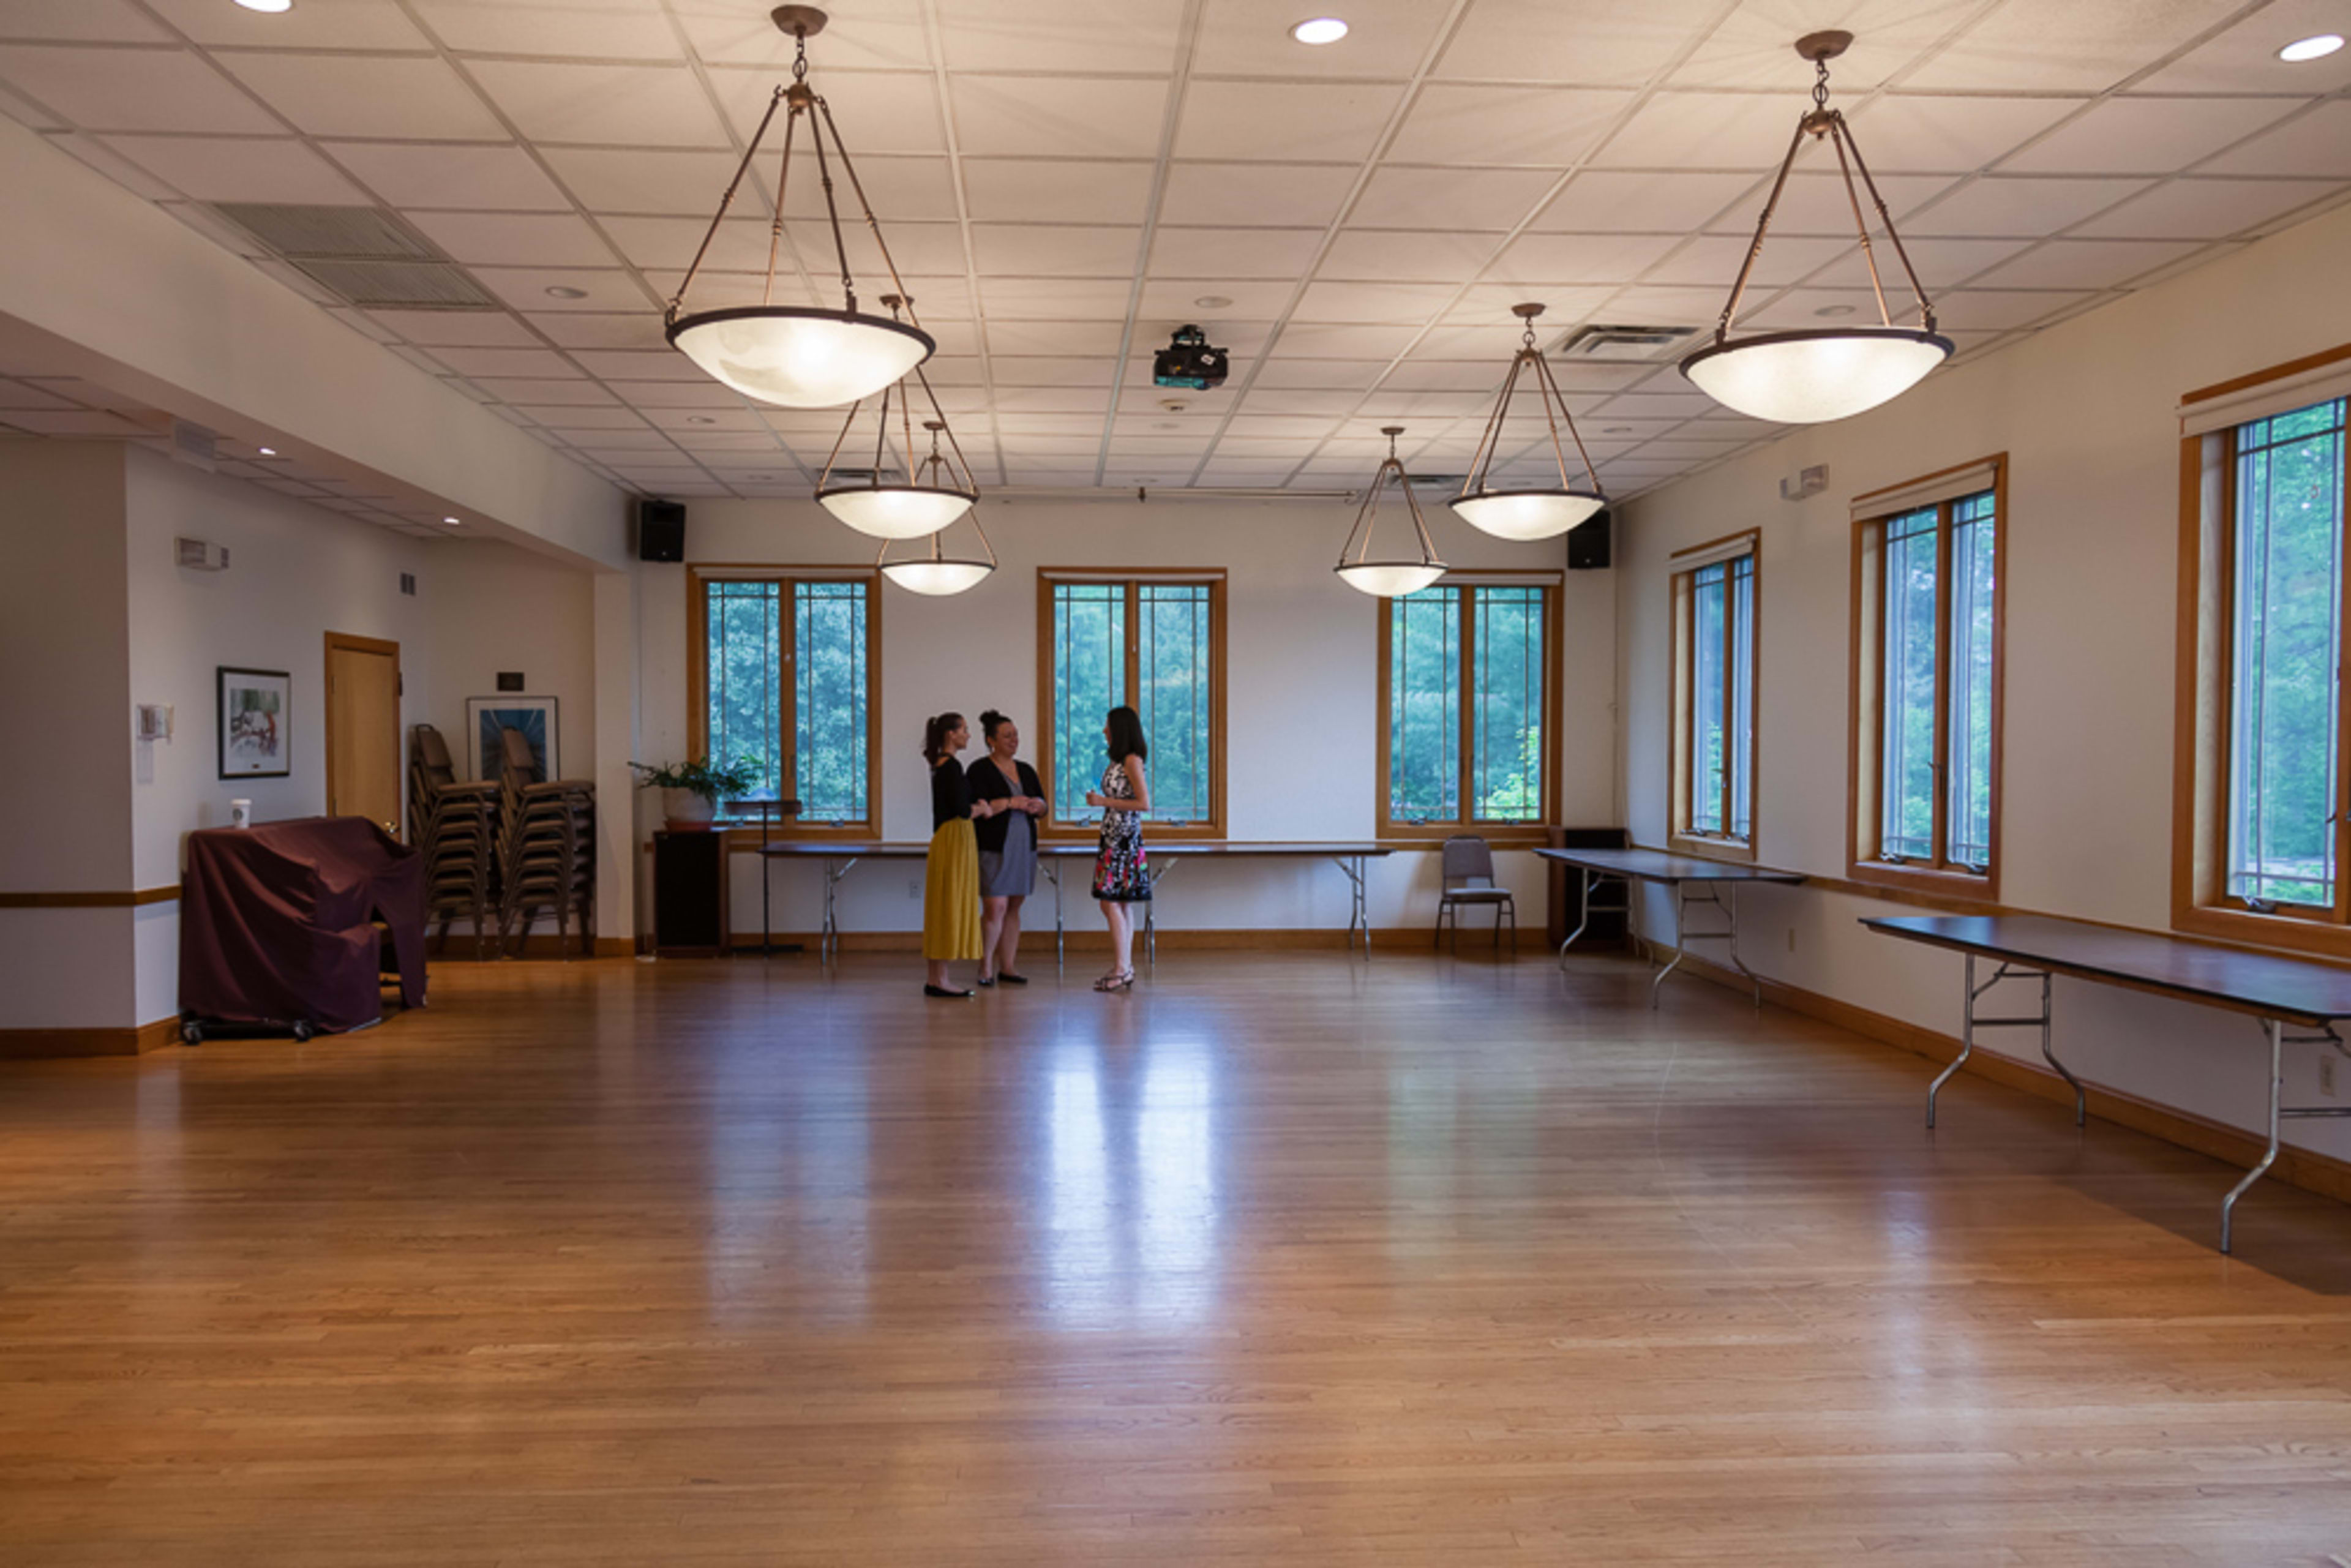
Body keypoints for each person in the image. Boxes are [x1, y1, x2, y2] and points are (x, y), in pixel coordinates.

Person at [966, 710, 1044, 987]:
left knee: (1014, 905)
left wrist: (1038, 806)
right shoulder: (979, 769)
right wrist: (1011, 803)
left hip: (1024, 844)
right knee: (995, 905)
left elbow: (1042, 805)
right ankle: (985, 965)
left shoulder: (1026, 770)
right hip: (994, 846)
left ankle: (1008, 967)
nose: (1014, 740)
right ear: (991, 740)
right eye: (1007, 736)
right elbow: (977, 808)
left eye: (1016, 735)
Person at [921, 712, 997, 997]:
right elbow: (961, 810)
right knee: (949, 904)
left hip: (950, 838)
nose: (968, 735)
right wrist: (983, 809)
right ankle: (940, 979)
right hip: (954, 838)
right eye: (964, 730)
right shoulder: (950, 766)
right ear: (951, 734)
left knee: (944, 904)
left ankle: (936, 978)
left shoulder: (942, 765)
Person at [1084, 705, 1152, 992]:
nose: (1104, 731)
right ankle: (1124, 966)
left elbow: (1144, 804)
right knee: (1119, 902)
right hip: (1112, 836)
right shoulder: (1118, 760)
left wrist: (1103, 802)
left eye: (1108, 725)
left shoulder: (1132, 761)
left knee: (1110, 901)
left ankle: (1123, 967)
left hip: (1123, 840)